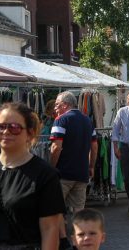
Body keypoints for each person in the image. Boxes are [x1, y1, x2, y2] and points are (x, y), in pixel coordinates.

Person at [0, 102, 65, 249]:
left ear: (30, 133)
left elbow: (50, 230)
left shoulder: (45, 175)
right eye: (1, 126)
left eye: (14, 127)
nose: (6, 132)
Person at [50, 91, 97, 247]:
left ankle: (63, 241)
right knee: (79, 211)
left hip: (63, 174)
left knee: (55, 209)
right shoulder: (88, 121)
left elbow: (56, 147)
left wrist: (51, 168)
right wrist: (91, 165)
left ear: (65, 105)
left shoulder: (61, 120)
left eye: (57, 105)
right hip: (81, 173)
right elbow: (94, 145)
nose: (55, 109)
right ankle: (80, 243)